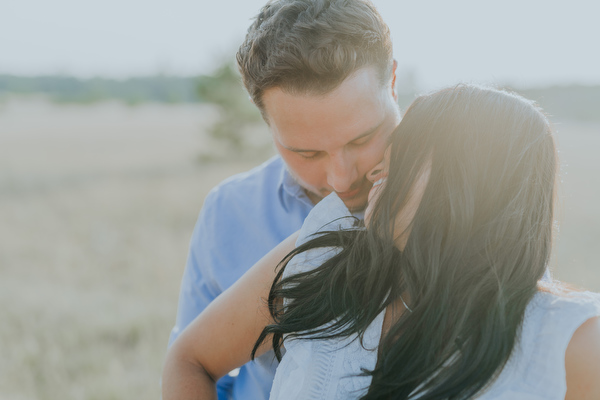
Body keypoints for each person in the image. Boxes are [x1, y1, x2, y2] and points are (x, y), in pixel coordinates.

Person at [163, 84, 600, 399]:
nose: (372, 174)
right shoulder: (325, 255)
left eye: (399, 162)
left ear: (466, 182)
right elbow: (191, 358)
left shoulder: (572, 341)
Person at [168, 0, 401, 399]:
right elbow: (194, 368)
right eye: (306, 153)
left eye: (362, 139)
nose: (341, 178)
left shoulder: (470, 192)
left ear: (393, 82)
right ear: (265, 121)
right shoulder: (230, 211)